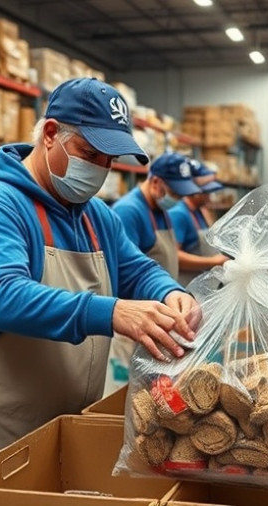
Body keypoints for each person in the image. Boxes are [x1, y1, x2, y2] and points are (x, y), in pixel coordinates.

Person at [0, 78, 201, 482]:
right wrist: (112, 312)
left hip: (57, 416)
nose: (99, 170)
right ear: (50, 134)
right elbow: (5, 298)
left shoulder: (96, 215)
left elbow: (138, 269)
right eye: (89, 153)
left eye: (109, 161)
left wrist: (170, 293)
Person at [108, 153, 202, 393]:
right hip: (133, 327)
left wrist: (170, 291)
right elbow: (128, 270)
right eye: (174, 191)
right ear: (156, 182)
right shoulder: (129, 211)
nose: (178, 199)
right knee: (128, 395)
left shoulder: (162, 211)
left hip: (159, 320)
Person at [168, 158, 229, 286]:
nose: (209, 196)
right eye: (206, 192)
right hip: (186, 286)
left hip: (203, 285)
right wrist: (212, 261)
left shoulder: (198, 211)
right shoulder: (179, 214)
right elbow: (174, 257)